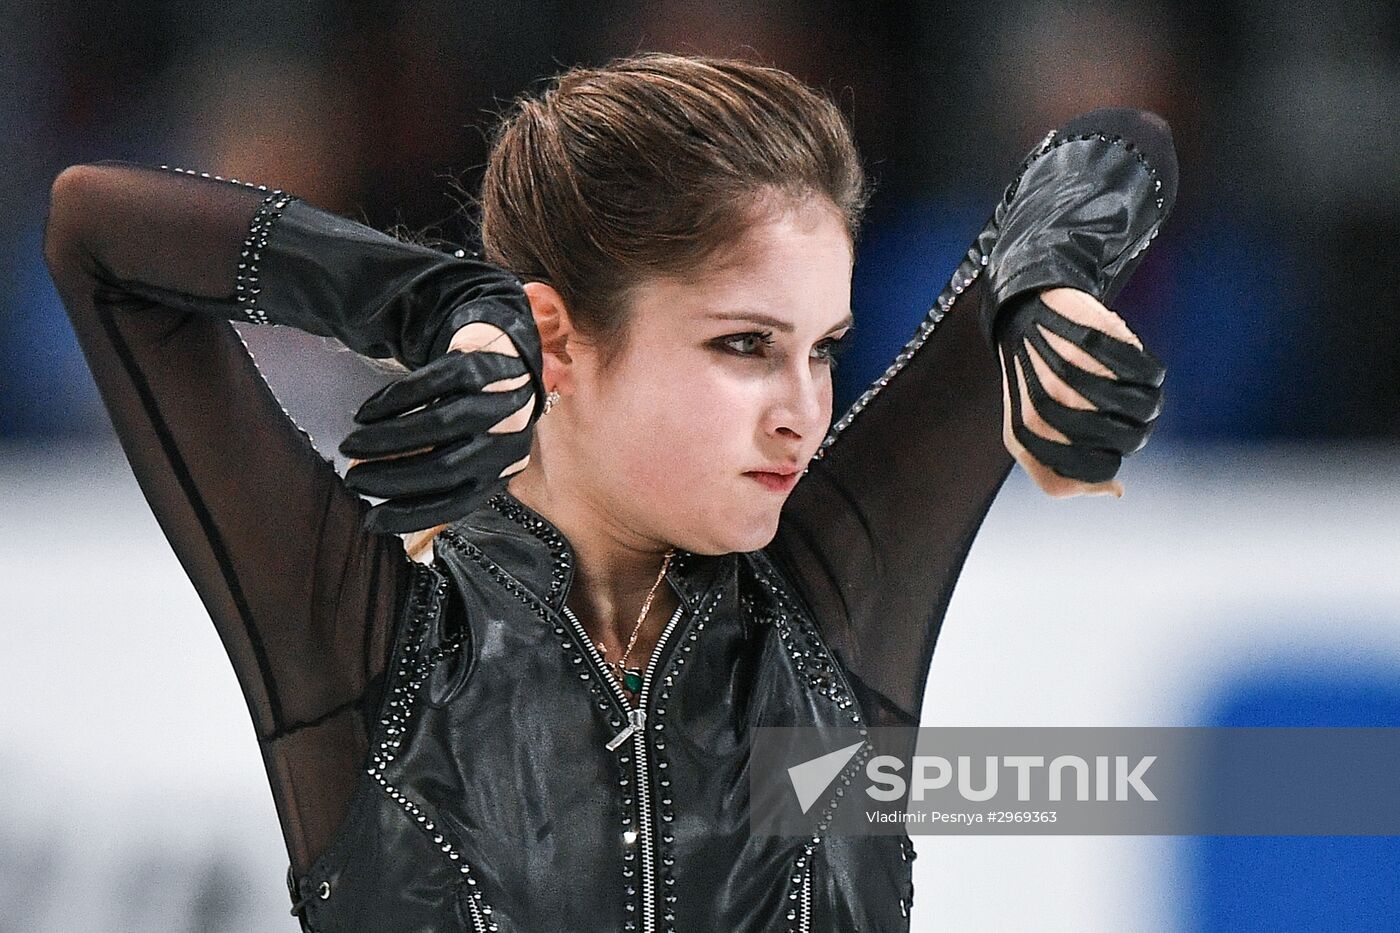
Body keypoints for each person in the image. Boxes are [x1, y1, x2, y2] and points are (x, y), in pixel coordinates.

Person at [43, 52, 1172, 933]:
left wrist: (1041, 279)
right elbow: (96, 234)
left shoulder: (836, 598)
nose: (802, 410)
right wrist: (432, 304)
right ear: (555, 340)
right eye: (742, 344)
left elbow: (1115, 141)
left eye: (822, 349)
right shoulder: (367, 636)